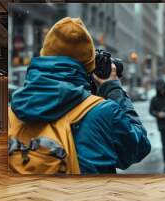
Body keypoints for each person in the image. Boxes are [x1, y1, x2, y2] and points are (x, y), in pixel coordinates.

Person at [10, 17, 151, 174]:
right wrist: (113, 89)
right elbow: (139, 147)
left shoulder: (11, 111)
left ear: (45, 54)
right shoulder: (103, 112)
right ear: (89, 64)